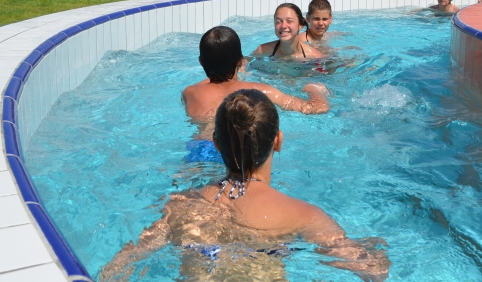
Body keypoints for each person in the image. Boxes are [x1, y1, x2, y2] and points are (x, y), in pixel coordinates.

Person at [100, 89, 389, 282]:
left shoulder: (180, 204)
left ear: (215, 144)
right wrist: (377, 249)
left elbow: (119, 267)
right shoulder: (303, 215)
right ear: (278, 141)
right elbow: (373, 270)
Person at [182, 26, 329, 125]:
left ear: (201, 62)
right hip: (240, 152)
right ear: (240, 62)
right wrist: (314, 89)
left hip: (199, 148)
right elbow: (316, 108)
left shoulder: (189, 92)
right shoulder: (259, 90)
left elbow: (214, 85)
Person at [252, 3, 324, 59]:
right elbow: (244, 64)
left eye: (289, 21)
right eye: (278, 21)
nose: (283, 26)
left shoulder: (314, 56)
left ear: (300, 25)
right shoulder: (263, 50)